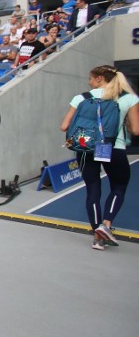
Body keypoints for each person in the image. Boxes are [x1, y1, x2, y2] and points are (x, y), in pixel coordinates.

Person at [59, 66, 139, 250]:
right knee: (119, 187)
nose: (89, 82)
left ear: (100, 78)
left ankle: (98, 235)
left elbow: (64, 126)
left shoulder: (82, 98)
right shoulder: (130, 98)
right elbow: (136, 130)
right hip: (112, 147)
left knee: (93, 190)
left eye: (91, 78)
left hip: (86, 148)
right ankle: (106, 224)